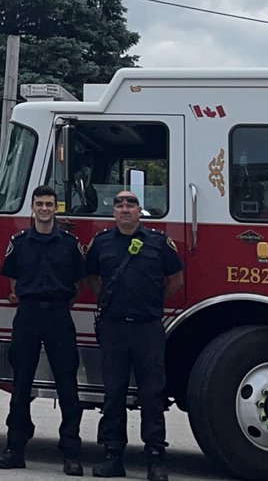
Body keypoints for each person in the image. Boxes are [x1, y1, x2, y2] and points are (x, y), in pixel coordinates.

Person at [85, 190, 184, 481]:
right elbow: (91, 278)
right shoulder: (101, 243)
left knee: (152, 394)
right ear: (114, 212)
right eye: (119, 204)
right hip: (114, 327)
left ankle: (155, 458)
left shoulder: (159, 242)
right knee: (113, 392)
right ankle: (112, 455)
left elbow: (176, 281)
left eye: (131, 204)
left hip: (147, 328)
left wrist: (151, 304)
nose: (125, 208)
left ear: (140, 211)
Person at [0, 185, 86, 476]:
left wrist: (59, 302)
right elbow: (12, 280)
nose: (44, 209)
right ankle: (15, 448)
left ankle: (71, 453)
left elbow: (78, 284)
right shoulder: (19, 242)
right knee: (21, 383)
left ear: (55, 208)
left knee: (67, 384)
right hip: (28, 315)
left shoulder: (69, 244)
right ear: (32, 207)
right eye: (40, 204)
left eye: (49, 204)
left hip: (58, 315)